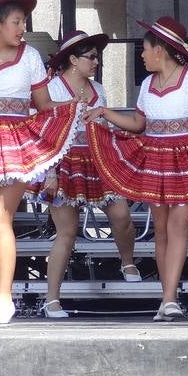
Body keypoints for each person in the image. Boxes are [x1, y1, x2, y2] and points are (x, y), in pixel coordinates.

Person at [88, 16, 188, 322]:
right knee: (161, 230)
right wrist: (106, 114)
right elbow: (138, 124)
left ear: (160, 50)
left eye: (145, 48)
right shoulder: (148, 84)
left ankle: (169, 298)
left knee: (178, 226)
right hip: (156, 158)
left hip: (187, 158)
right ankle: (167, 298)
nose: (142, 54)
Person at [0, 0, 79, 325]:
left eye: (23, 21)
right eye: (16, 21)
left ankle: (5, 300)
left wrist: (76, 106)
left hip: (15, 142)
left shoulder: (30, 56)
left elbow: (44, 104)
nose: (21, 27)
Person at [39, 30, 141, 320]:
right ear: (73, 59)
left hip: (96, 160)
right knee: (67, 232)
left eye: (97, 56)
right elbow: (47, 134)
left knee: (121, 216)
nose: (96, 61)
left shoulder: (98, 89)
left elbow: (102, 130)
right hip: (64, 162)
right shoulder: (53, 89)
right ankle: (52, 300)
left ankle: (127, 262)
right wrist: (50, 172)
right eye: (91, 56)